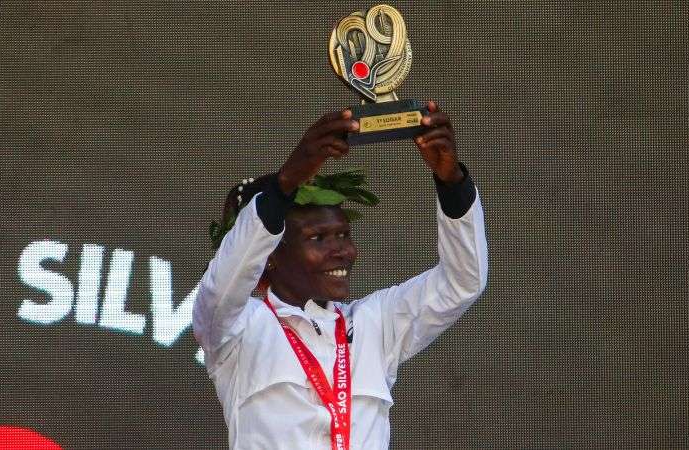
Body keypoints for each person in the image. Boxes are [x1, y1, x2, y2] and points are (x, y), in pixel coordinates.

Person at [192, 101, 488, 450]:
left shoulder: (375, 324)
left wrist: (451, 183)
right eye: (318, 238)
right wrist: (285, 182)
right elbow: (224, 282)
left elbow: (462, 281)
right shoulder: (237, 328)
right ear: (269, 255)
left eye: (344, 235)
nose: (342, 251)